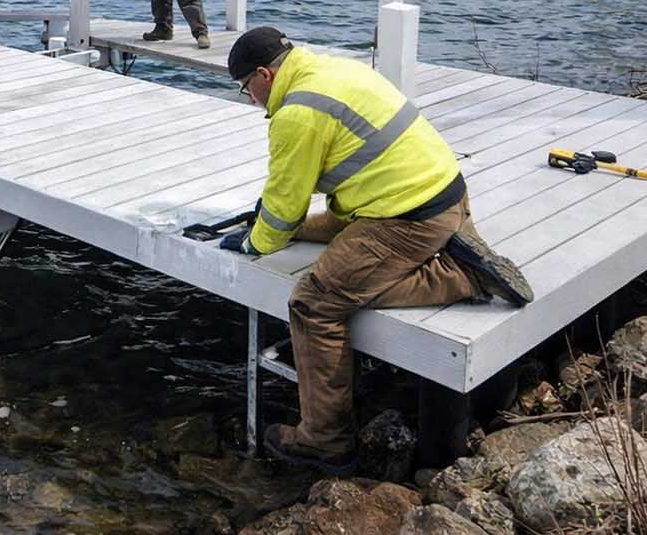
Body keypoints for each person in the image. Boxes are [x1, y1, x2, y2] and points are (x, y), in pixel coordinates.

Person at [221, 26, 532, 474]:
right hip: (441, 196)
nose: (249, 99)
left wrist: (257, 241)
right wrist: (279, 226)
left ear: (264, 75)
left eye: (245, 88)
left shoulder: (297, 112)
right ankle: (453, 244)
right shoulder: (332, 69)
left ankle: (326, 440)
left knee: (316, 302)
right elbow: (294, 204)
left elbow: (286, 199)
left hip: (405, 219)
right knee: (310, 232)